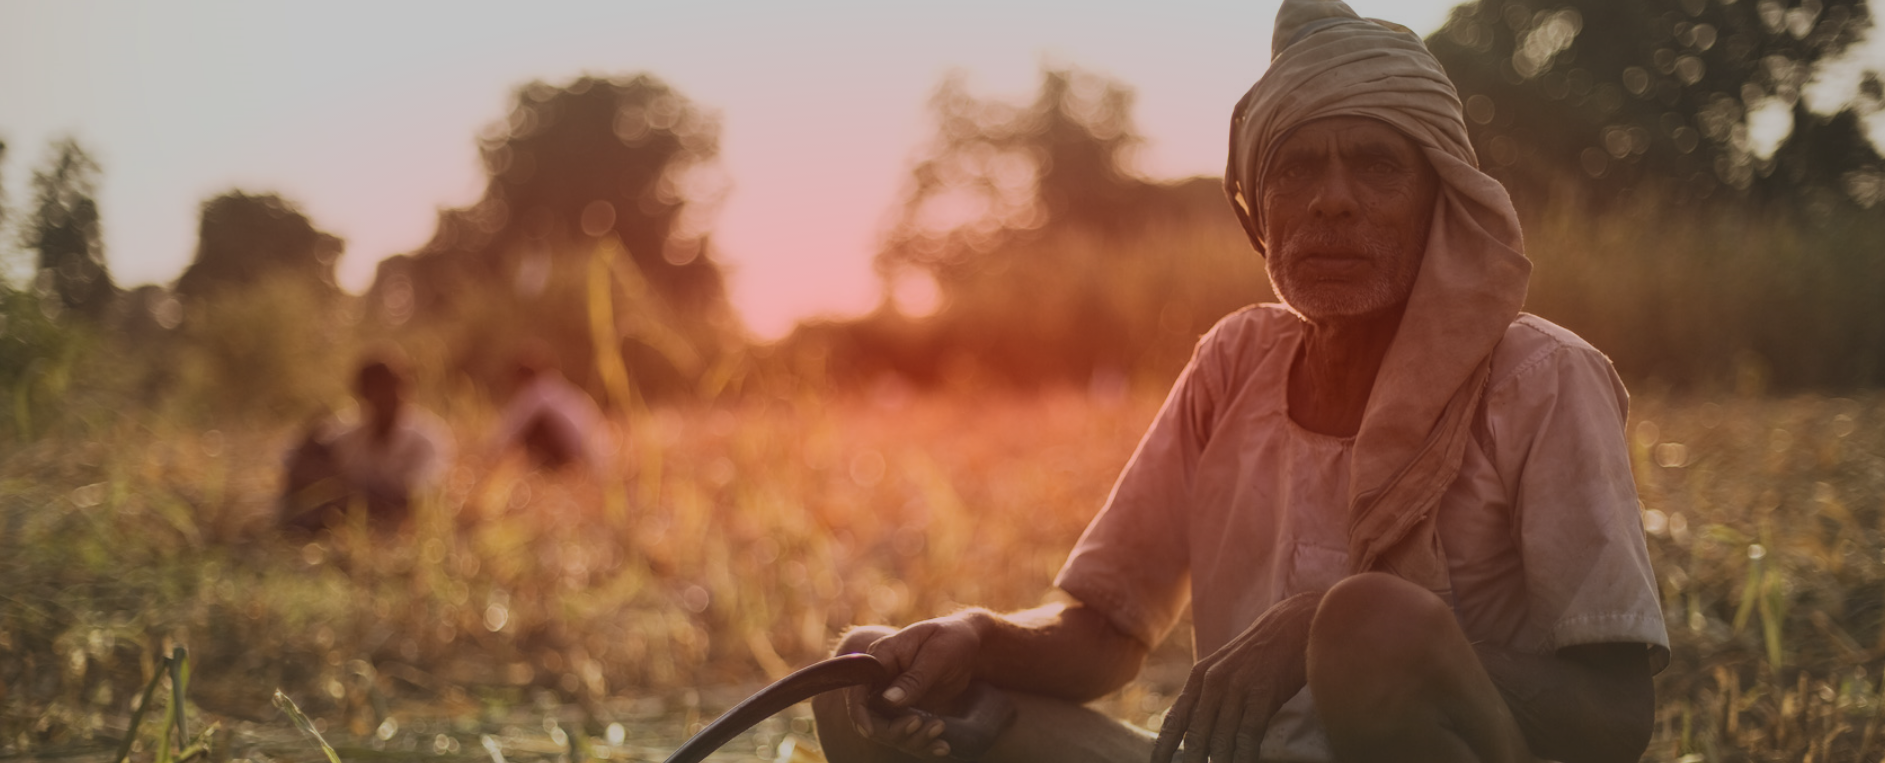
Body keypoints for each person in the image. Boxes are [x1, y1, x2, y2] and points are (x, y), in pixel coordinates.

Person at [809, 2, 1669, 762]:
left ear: (1438, 197)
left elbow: (1615, 715)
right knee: (862, 676)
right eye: (1297, 169)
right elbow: (1103, 631)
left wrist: (1324, 629)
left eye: (1375, 165)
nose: (1332, 201)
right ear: (1258, 205)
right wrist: (974, 635)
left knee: (1367, 620)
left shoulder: (1543, 380)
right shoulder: (1235, 363)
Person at [279, 355, 454, 533]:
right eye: (373, 392)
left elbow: (419, 496)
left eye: (388, 390)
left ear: (403, 391)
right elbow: (294, 458)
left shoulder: (428, 438)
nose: (381, 399)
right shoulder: (353, 431)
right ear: (362, 396)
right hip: (354, 521)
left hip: (404, 529)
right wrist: (311, 443)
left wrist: (357, 494)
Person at [486, 343, 608, 473]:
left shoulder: (537, 391)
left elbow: (513, 427)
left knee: (533, 427)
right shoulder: (557, 386)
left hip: (575, 454)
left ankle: (552, 468)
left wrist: (490, 451)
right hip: (596, 454)